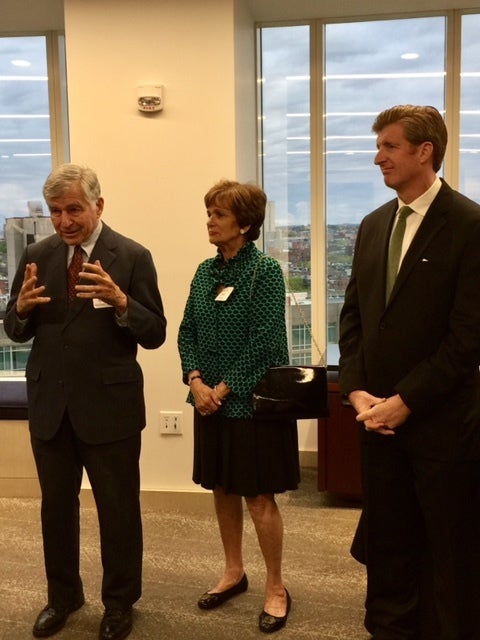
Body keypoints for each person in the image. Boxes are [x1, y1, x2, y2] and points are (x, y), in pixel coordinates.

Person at [4, 163, 167, 640]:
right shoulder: (37, 253)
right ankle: (63, 596)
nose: (64, 221)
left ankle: (118, 603)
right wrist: (18, 311)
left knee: (118, 511)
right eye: (55, 211)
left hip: (109, 410)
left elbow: (155, 333)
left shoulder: (133, 256)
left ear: (99, 204)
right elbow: (14, 330)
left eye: (73, 209)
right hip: (50, 407)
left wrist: (121, 302)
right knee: (55, 509)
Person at [338, 105, 480, 640]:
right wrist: (354, 390)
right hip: (376, 425)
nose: (378, 157)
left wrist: (406, 400)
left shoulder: (470, 224)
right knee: (389, 548)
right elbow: (351, 318)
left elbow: (468, 339)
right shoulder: (374, 226)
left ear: (426, 151)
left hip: (442, 428)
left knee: (448, 557)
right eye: (379, 146)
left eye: (390, 146)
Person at [177, 179, 300, 634]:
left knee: (258, 496)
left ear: (245, 224)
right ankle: (233, 571)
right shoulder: (204, 272)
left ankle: (276, 585)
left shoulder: (264, 272)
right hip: (207, 400)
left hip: (248, 405)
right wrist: (195, 381)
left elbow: (267, 343)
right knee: (222, 489)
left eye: (219, 214)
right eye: (208, 212)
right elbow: (186, 330)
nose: (210, 220)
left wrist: (222, 390)